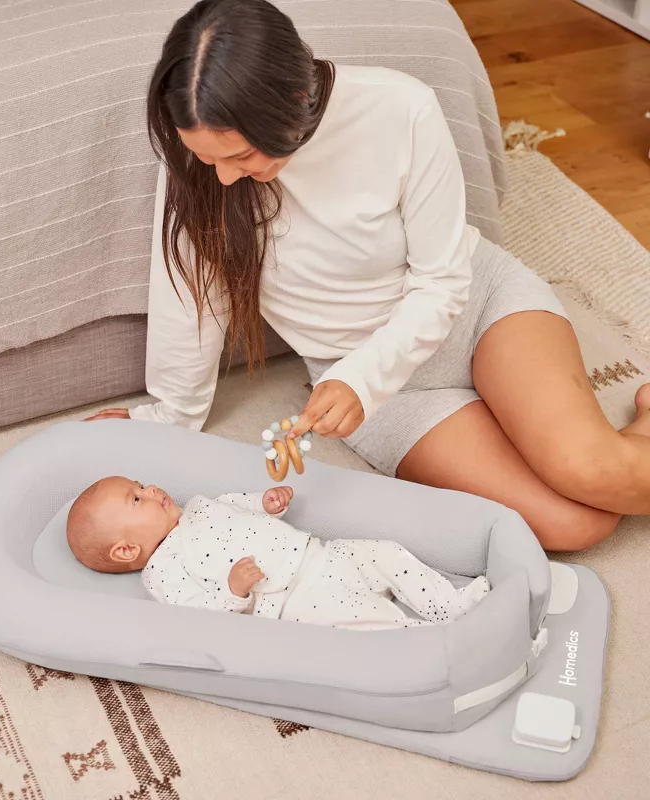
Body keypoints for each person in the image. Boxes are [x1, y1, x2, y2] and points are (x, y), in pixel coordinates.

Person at [86, 0, 650, 551]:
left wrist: (361, 379)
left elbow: (443, 282)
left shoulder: (400, 108)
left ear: (295, 102)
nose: (225, 178)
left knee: (592, 470)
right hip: (377, 391)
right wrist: (171, 414)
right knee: (576, 524)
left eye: (242, 156)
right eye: (210, 159)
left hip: (476, 313)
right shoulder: (203, 158)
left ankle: (612, 448)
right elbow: (191, 296)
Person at [66, 477, 490, 630]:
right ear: (126, 549)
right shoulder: (162, 572)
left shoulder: (197, 506)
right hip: (297, 600)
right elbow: (195, 616)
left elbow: (237, 504)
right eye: (136, 499)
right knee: (371, 620)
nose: (151, 489)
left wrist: (267, 503)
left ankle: (447, 605)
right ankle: (434, 642)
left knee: (388, 554)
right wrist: (233, 591)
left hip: (322, 554)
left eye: (141, 484)